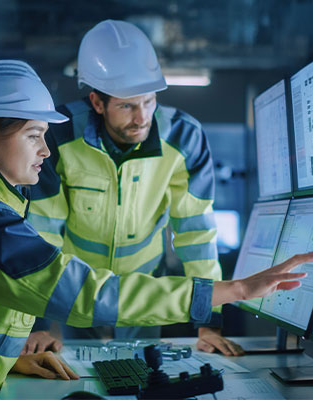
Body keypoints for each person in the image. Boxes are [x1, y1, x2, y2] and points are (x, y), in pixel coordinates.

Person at [0, 59, 313, 399]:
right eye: (34, 135)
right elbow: (90, 294)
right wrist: (235, 290)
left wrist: (7, 361)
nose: (46, 151)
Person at [21, 20, 246, 356]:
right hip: (75, 289)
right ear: (97, 103)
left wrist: (208, 321)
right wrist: (37, 323)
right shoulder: (59, 135)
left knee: (139, 377)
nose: (142, 118)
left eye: (149, 102)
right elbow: (43, 230)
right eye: (127, 106)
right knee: (75, 378)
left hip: (143, 289)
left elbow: (196, 232)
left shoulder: (185, 138)